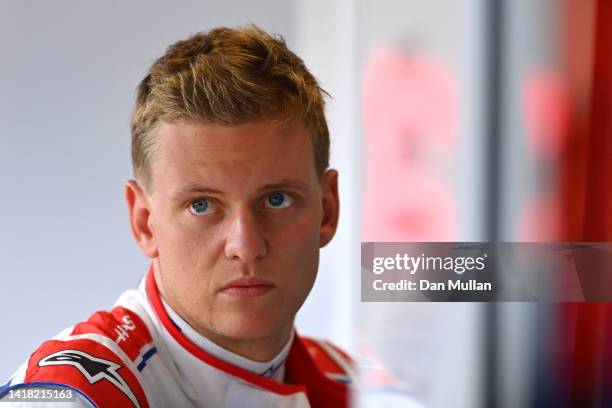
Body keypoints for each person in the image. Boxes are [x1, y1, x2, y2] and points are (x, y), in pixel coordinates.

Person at [0, 25, 353, 407]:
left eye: (277, 199)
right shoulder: (71, 397)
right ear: (143, 222)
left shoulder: (357, 386)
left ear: (327, 211)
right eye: (201, 205)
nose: (246, 246)